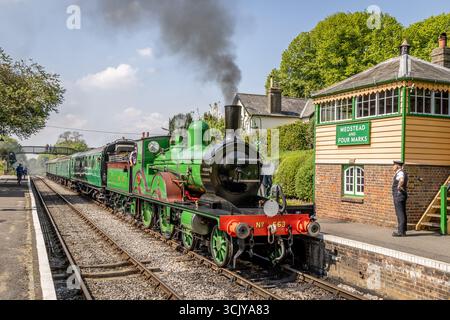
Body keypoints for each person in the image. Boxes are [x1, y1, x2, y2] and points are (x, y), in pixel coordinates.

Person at [392, 160, 408, 237]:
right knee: (402, 213)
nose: (393, 166)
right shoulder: (401, 172)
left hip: (399, 195)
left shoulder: (400, 172)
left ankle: (400, 232)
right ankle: (403, 230)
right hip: (401, 195)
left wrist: (399, 186)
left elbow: (401, 180)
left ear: (397, 166)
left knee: (400, 213)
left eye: (394, 165)